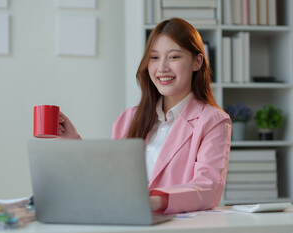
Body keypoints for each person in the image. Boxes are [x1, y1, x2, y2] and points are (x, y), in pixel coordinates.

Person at [58, 18, 232, 214]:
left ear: (197, 62)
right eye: (154, 57)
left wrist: (154, 202)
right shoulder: (128, 118)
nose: (162, 68)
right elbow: (109, 180)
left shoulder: (213, 120)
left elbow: (209, 188)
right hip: (127, 224)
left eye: (174, 57)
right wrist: (72, 140)